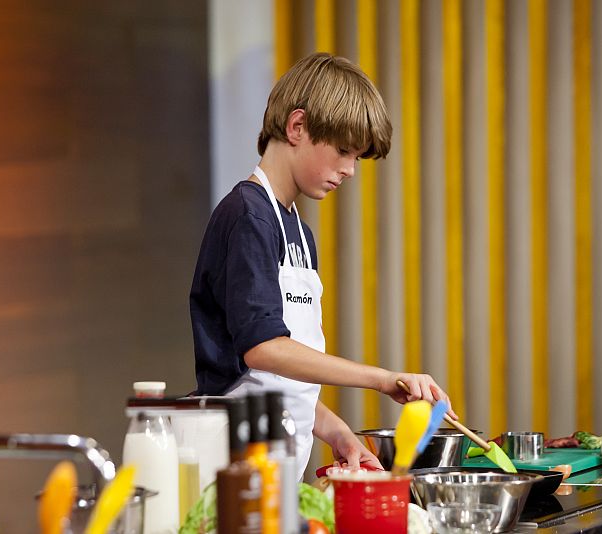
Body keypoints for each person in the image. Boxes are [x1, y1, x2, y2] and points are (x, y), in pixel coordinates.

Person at [190, 52, 455, 480]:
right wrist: (383, 379)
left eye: (357, 158)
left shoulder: (298, 232)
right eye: (344, 152)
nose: (350, 170)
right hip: (231, 467)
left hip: (275, 465)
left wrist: (338, 434)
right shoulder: (248, 215)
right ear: (297, 127)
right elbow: (263, 349)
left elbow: (279, 380)